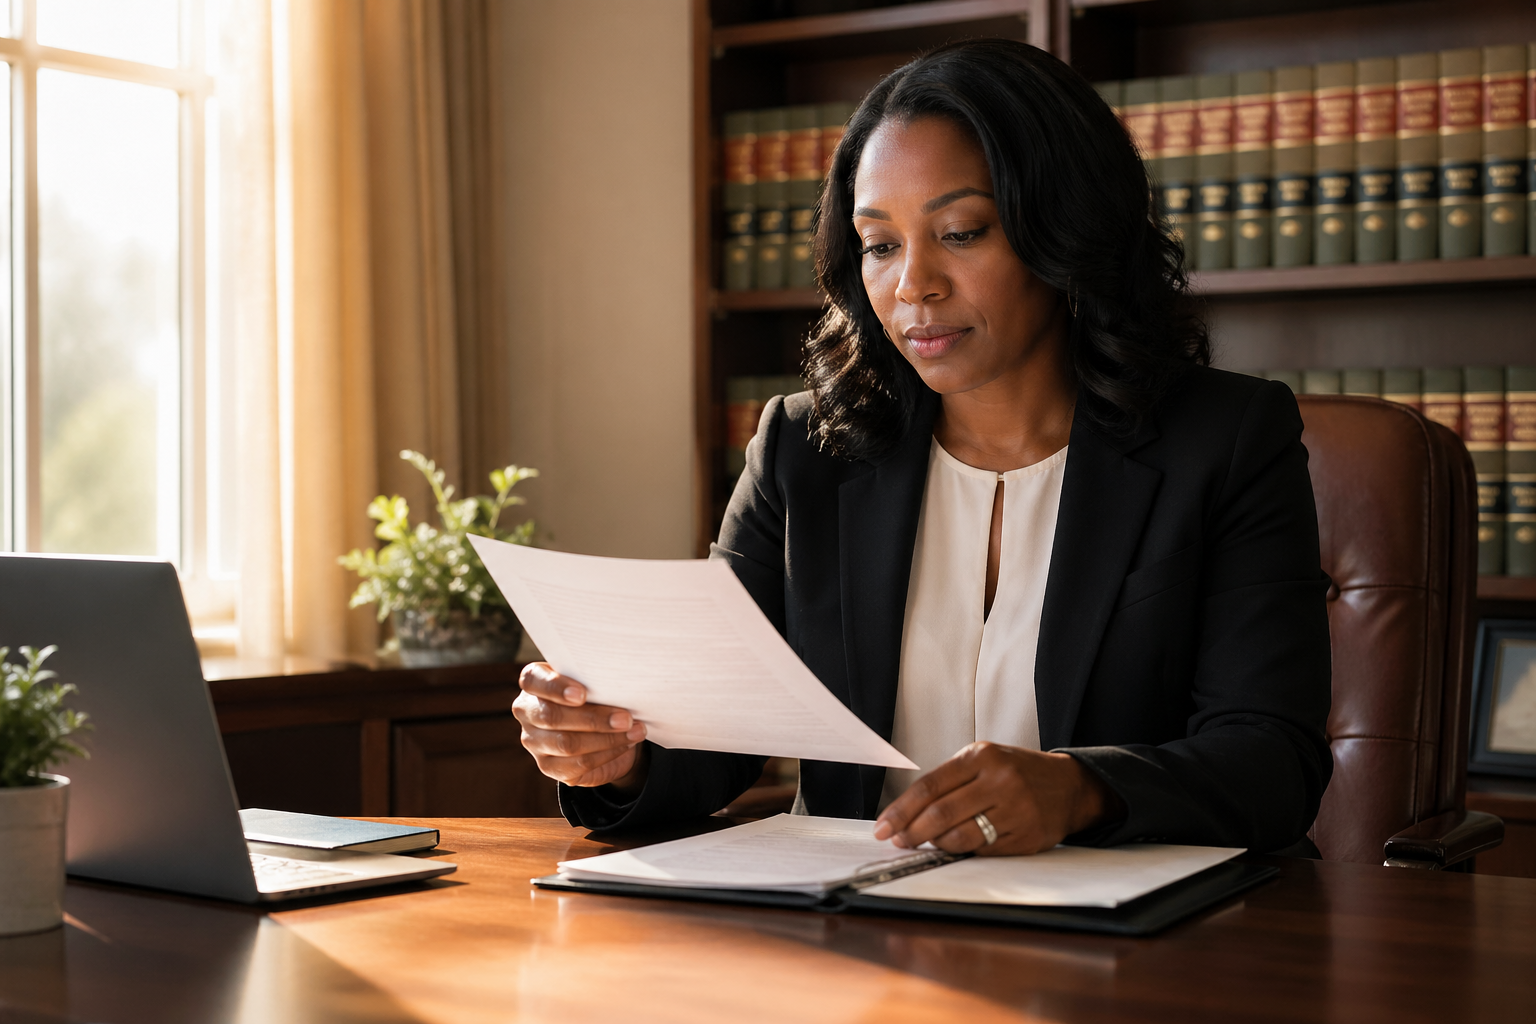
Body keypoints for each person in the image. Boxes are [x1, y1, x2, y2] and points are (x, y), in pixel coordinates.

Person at [513, 39, 1333, 857]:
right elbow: (709, 741)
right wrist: (615, 756)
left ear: (1067, 230)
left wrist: (1082, 789)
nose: (914, 286)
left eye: (962, 232)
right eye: (880, 244)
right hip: (859, 915)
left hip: (1129, 915)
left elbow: (1272, 761)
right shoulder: (803, 449)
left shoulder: (1226, 441)